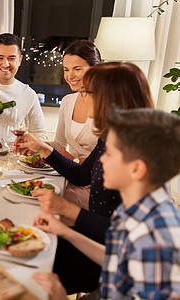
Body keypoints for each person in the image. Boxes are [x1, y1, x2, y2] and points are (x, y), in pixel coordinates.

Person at [16, 62, 154, 293]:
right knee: (27, 238)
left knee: (27, 266)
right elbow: (80, 176)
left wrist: (69, 211)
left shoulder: (136, 155)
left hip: (108, 254)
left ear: (109, 98)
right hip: (94, 236)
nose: (82, 97)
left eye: (86, 92)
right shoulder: (110, 135)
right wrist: (42, 148)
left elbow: (130, 235)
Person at [32, 108, 180, 299]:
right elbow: (117, 258)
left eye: (109, 153)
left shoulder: (154, 243)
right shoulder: (139, 205)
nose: (101, 159)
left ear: (136, 169)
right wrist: (64, 231)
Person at [48, 40, 101, 220]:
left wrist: (75, 159)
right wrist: (34, 144)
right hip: (72, 176)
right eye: (66, 69)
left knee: (46, 202)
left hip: (95, 186)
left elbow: (106, 161)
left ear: (95, 68)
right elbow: (59, 143)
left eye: (77, 69)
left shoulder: (106, 106)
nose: (70, 76)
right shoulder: (68, 101)